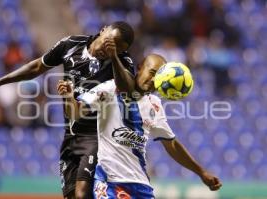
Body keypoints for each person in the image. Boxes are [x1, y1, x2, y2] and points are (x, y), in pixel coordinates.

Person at [0, 21, 136, 199]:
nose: (109, 50)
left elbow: (128, 87)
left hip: (98, 137)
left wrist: (114, 57)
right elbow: (36, 67)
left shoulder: (122, 62)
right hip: (71, 137)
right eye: (110, 42)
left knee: (82, 192)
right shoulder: (70, 45)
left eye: (116, 48)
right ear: (103, 30)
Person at [57, 54, 222, 198]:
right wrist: (69, 95)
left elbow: (171, 145)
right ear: (139, 68)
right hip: (110, 181)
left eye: (158, 77)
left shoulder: (154, 105)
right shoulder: (110, 88)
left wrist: (202, 173)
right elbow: (75, 113)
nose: (153, 80)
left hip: (141, 185)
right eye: (151, 73)